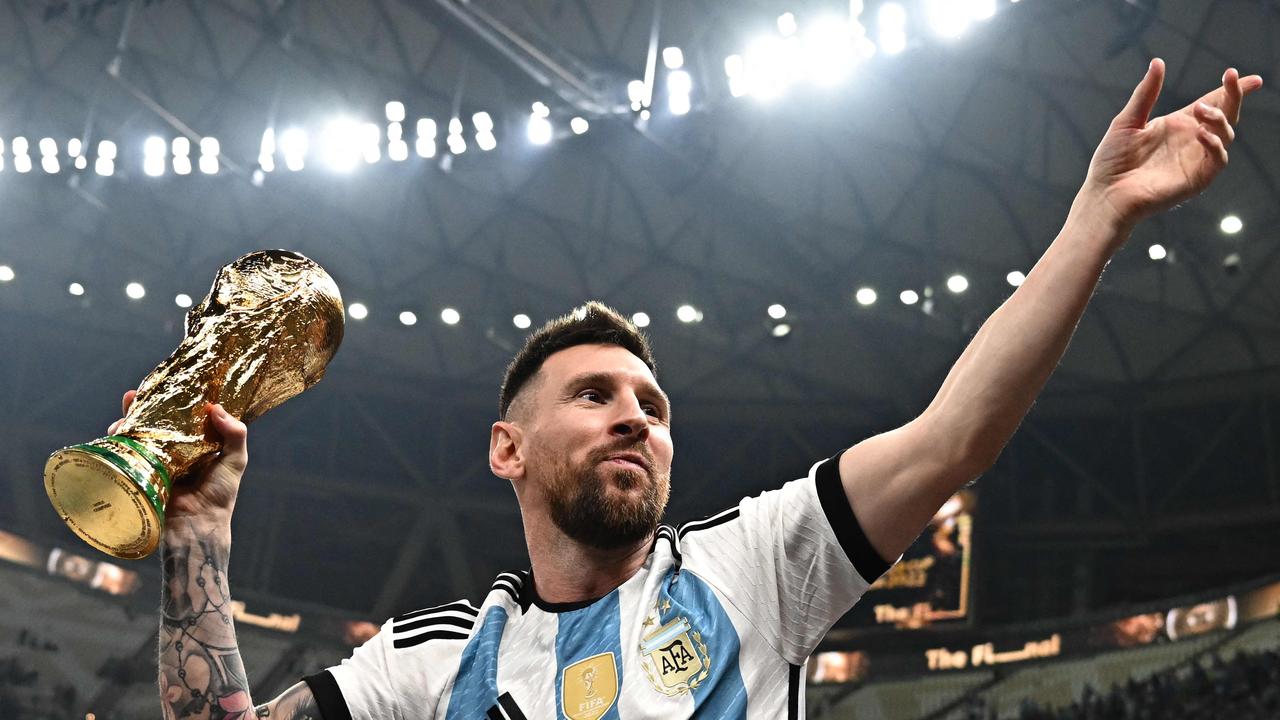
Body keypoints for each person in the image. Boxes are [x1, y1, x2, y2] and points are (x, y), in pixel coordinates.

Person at [120, 59, 1262, 719]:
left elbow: (953, 434)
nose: (635, 415)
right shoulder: (431, 662)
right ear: (505, 450)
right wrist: (200, 534)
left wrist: (1096, 219)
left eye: (653, 406)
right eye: (594, 395)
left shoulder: (751, 565)